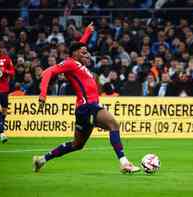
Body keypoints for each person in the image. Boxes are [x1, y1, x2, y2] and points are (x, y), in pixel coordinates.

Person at [32, 23, 140, 174]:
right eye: (84, 52)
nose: (87, 54)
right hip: (87, 106)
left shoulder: (79, 64)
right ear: (75, 54)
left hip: (84, 110)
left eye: (87, 52)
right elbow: (48, 72)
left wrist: (88, 31)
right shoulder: (70, 63)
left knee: (77, 145)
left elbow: (80, 45)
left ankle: (41, 160)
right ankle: (124, 163)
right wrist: (43, 94)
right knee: (114, 125)